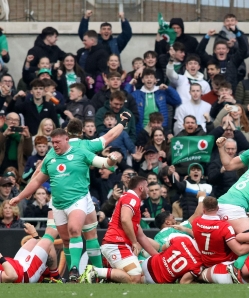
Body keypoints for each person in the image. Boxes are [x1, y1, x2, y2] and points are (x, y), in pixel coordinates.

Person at [9, 128, 121, 282]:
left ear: (66, 139)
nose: (54, 145)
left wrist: (111, 159)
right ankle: (73, 275)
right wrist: (20, 196)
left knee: (76, 230)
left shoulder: (80, 152)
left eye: (57, 142)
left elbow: (103, 162)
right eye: (52, 142)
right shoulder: (50, 158)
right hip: (58, 204)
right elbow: (36, 180)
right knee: (67, 240)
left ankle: (85, 270)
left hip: (78, 199)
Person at [80, 176, 158, 284]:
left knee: (136, 278)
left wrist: (157, 257)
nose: (148, 190)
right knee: (135, 278)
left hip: (116, 244)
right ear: (141, 188)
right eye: (147, 187)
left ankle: (106, 278)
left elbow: (141, 236)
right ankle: (95, 271)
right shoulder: (132, 198)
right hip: (116, 244)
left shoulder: (130, 199)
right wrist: (134, 243)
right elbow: (125, 219)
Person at [193, 196, 249, 269]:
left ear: (203, 210)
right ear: (218, 208)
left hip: (206, 263)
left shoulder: (195, 222)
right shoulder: (225, 227)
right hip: (224, 265)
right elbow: (239, 251)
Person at [125, 68, 181, 134]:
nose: (149, 79)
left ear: (155, 80)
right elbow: (124, 98)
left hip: (160, 127)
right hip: (142, 128)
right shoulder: (137, 94)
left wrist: (168, 88)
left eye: (151, 77)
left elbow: (177, 100)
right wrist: (130, 84)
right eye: (146, 77)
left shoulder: (161, 93)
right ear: (143, 80)